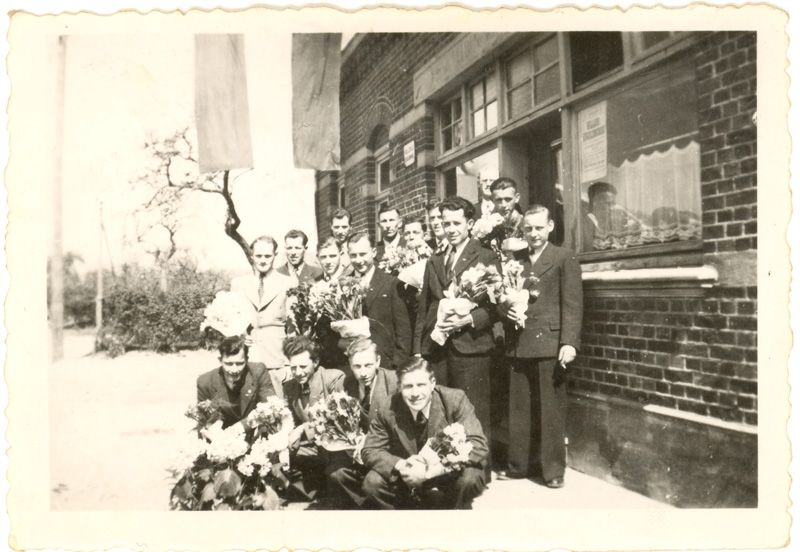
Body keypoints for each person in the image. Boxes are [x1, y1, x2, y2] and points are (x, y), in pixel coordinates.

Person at [413, 195, 500, 477]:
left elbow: (496, 307)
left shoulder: (485, 256)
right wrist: (419, 349)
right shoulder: (435, 260)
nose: (450, 229)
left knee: (473, 412)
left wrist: (470, 318)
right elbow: (425, 308)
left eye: (456, 223)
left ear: (470, 224)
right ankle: (447, 469)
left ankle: (477, 471)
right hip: (438, 349)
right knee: (442, 411)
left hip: (471, 348)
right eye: (444, 223)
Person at [497, 205, 583, 489]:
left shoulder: (563, 257)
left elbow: (572, 304)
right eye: (528, 229)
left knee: (550, 410)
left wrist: (569, 342)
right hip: (519, 343)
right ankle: (519, 465)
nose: (533, 234)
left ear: (550, 227)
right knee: (520, 409)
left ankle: (553, 471)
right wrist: (505, 311)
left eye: (538, 228)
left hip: (549, 342)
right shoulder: (515, 260)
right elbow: (500, 298)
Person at [357, 357, 488, 509]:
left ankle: (452, 517)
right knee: (372, 482)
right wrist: (402, 465)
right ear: (399, 386)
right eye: (408, 386)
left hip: (444, 473)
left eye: (421, 385)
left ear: (432, 383)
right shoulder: (388, 407)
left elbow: (478, 444)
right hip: (408, 474)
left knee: (470, 478)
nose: (415, 393)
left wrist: (430, 471)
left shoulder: (455, 399)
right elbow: (370, 449)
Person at [326, 338, 399, 508]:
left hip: (385, 449)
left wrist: (369, 443)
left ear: (378, 361)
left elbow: (399, 428)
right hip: (356, 453)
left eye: (368, 365)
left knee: (372, 482)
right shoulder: (343, 385)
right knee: (336, 475)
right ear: (350, 364)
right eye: (357, 367)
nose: (363, 373)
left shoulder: (394, 382)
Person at [282, 335, 345, 499]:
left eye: (303, 366)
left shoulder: (333, 378)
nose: (298, 372)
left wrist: (303, 428)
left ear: (315, 362)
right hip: (312, 448)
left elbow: (340, 419)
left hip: (337, 447)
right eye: (293, 367)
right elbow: (288, 419)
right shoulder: (289, 387)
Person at [231, 235, 294, 398]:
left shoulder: (288, 283)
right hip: (248, 359)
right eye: (259, 256)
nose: (263, 260)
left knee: (277, 409)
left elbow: (293, 326)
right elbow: (232, 321)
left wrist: (289, 362)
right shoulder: (238, 284)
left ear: (275, 255)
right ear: (252, 256)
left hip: (277, 360)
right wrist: (241, 336)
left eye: (268, 256)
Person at [347, 231, 412, 370]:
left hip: (385, 364)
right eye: (353, 255)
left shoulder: (391, 283)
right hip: (356, 365)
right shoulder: (344, 285)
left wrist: (398, 363)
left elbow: (403, 330)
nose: (358, 260)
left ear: (374, 252)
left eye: (363, 254)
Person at [196, 336, 276, 430]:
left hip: (254, 430)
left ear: (246, 360)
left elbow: (269, 406)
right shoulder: (205, 381)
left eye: (239, 363)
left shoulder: (258, 371)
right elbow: (204, 421)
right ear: (220, 360)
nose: (234, 370)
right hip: (222, 435)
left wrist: (241, 427)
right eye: (228, 364)